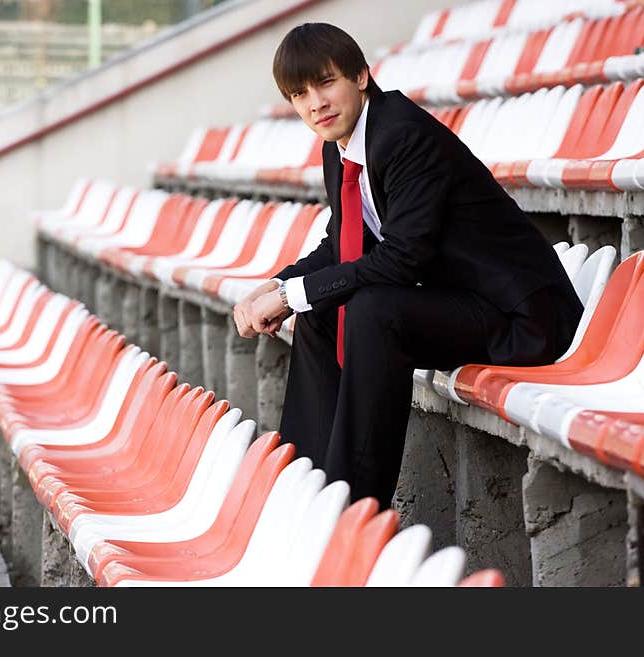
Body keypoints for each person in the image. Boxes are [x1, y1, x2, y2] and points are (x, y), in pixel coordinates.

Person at [231, 23, 583, 509]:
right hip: (458, 303)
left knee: (374, 310)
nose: (315, 103)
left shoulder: (403, 135)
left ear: (360, 76)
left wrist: (292, 294)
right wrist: (274, 287)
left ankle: (352, 509)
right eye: (299, 94)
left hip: (521, 319)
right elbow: (343, 243)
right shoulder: (341, 145)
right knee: (321, 310)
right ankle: (306, 493)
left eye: (326, 82)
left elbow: (402, 257)